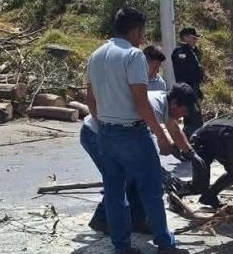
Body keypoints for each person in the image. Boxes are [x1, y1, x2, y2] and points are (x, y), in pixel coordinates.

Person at [86, 7, 196, 254]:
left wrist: (105, 127)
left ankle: (121, 248)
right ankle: (165, 246)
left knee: (115, 191)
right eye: (142, 32)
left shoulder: (96, 55)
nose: (142, 38)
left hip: (106, 132)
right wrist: (160, 136)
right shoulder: (133, 55)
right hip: (131, 131)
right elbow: (140, 101)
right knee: (151, 188)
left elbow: (90, 99)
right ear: (135, 30)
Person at [81, 87, 195, 234]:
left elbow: (174, 130)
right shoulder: (152, 107)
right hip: (96, 135)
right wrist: (159, 170)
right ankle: (101, 220)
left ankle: (137, 221)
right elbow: (140, 145)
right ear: (174, 103)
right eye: (184, 111)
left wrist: (191, 154)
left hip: (118, 136)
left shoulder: (164, 104)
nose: (183, 116)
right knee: (122, 179)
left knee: (137, 176)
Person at [171, 27, 204, 138]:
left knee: (195, 119)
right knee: (194, 120)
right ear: (185, 37)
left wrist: (197, 90)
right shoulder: (180, 52)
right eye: (193, 38)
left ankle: (188, 142)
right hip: (186, 90)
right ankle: (188, 143)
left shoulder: (191, 51)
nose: (195, 40)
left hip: (193, 89)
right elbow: (184, 74)